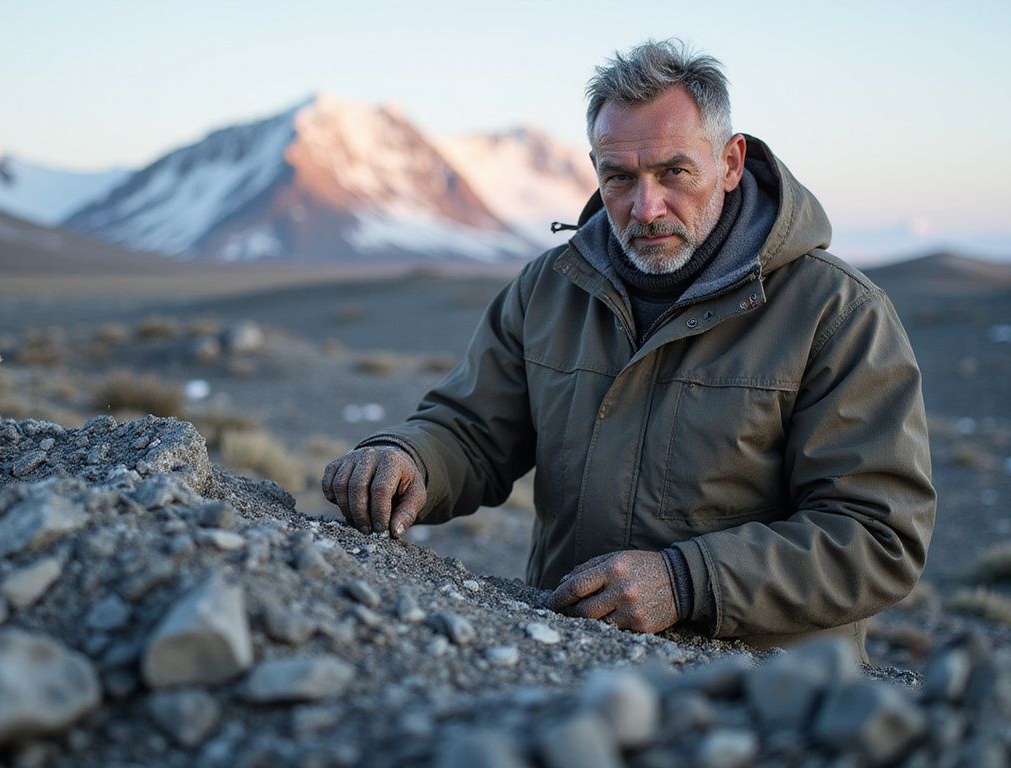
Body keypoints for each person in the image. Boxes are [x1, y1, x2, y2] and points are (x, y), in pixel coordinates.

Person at [322, 39, 934, 659]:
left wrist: (686, 582)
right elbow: (475, 430)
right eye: (619, 177)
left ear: (730, 162)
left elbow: (875, 535)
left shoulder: (836, 313)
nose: (646, 207)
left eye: (674, 172)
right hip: (566, 656)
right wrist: (410, 458)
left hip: (761, 694)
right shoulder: (549, 288)